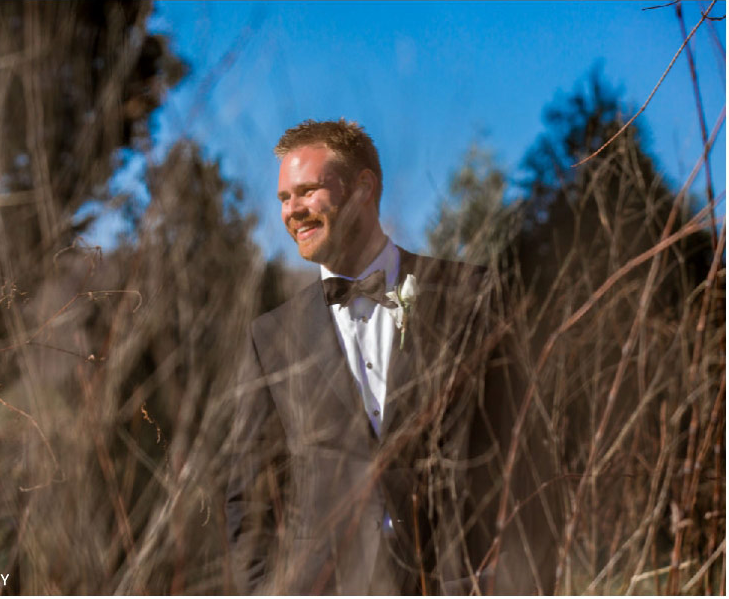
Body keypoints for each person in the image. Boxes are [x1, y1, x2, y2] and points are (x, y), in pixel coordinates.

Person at [225, 119, 559, 595]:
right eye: (283, 198)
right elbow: (248, 500)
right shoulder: (271, 338)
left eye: (307, 191)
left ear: (363, 188)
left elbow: (529, 455)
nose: (292, 210)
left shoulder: (471, 297)